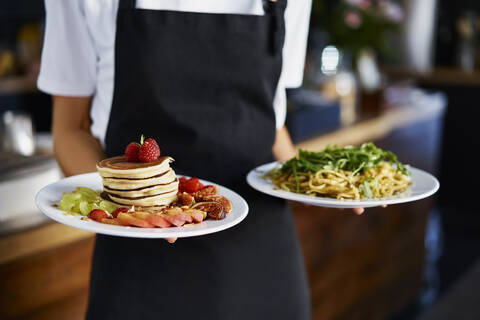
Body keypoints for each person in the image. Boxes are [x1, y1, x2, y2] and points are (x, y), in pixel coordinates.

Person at [38, 0, 362, 319]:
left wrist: (317, 183)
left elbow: (271, 125)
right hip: (140, 262)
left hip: (262, 258)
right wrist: (125, 210)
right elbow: (70, 130)